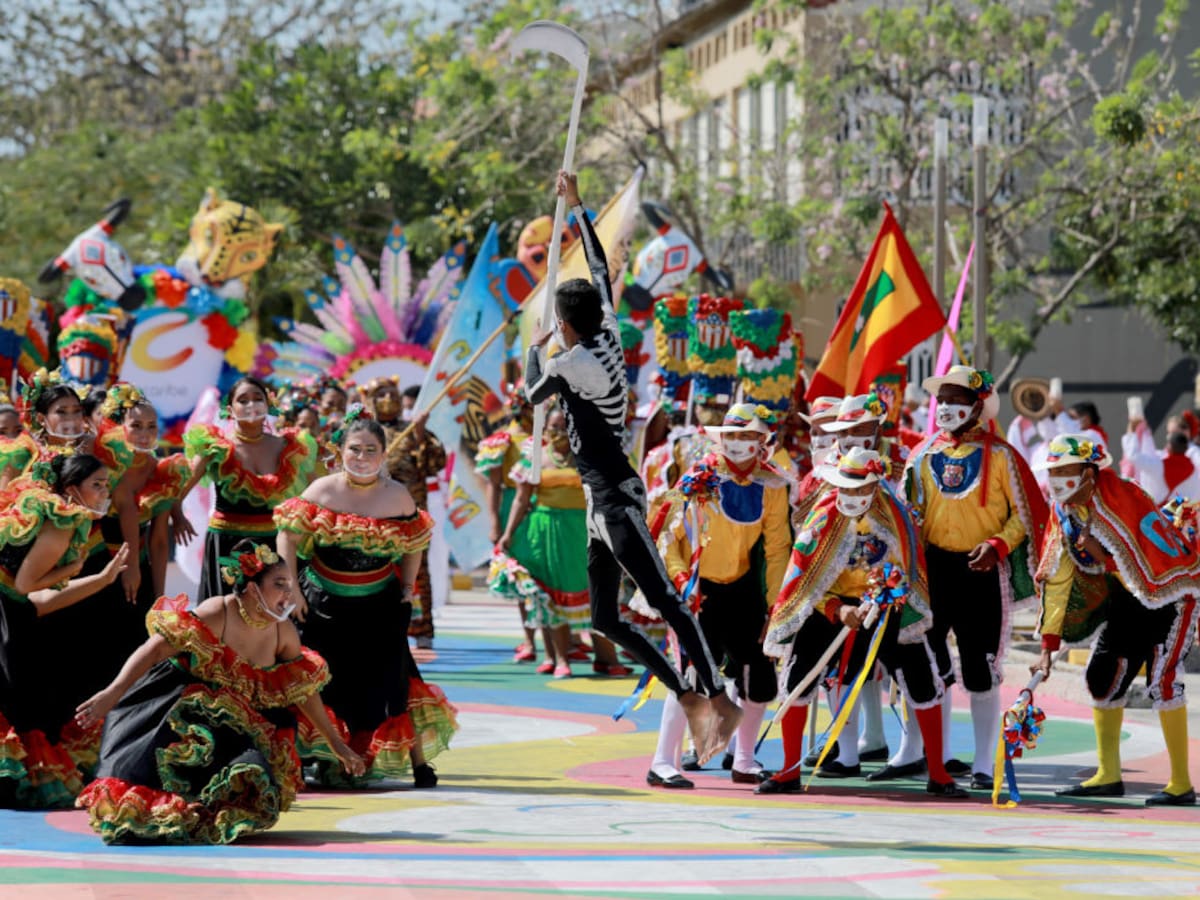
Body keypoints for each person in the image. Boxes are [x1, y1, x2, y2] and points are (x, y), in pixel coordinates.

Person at [525, 170, 740, 764]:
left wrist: (532, 348)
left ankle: (716, 694)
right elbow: (600, 266)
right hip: (600, 501)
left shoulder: (574, 364)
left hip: (616, 495)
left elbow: (530, 393)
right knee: (603, 618)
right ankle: (685, 691)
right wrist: (577, 206)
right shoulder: (609, 329)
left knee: (666, 601)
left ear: (565, 326)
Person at [73, 541, 365, 843]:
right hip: (178, 710)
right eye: (279, 585)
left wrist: (337, 745)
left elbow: (303, 693)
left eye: (289, 585)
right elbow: (153, 650)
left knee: (248, 777)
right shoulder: (219, 612)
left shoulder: (283, 632)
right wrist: (112, 693)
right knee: (153, 778)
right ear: (252, 589)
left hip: (237, 721)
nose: (288, 595)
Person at [757, 448, 967, 798]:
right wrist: (837, 610)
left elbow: (911, 568)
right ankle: (788, 770)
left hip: (887, 606)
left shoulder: (896, 517)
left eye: (859, 489)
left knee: (920, 679)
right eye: (846, 488)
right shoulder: (821, 520)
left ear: (876, 486)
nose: (851, 496)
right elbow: (803, 579)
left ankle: (939, 774)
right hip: (830, 607)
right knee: (798, 677)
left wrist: (888, 595)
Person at [884, 365, 1047, 791]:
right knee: (927, 666)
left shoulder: (1003, 456)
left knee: (981, 668)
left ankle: (983, 763)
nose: (948, 407)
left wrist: (998, 546)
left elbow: (1024, 516)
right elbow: (906, 514)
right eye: (944, 399)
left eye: (958, 399)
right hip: (933, 572)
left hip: (982, 571)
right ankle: (927, 757)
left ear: (978, 406)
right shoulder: (921, 455)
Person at [275, 408, 457, 788]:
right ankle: (312, 757)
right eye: (354, 449)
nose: (361, 457)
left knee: (392, 682)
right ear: (340, 450)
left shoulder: (398, 495)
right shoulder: (323, 490)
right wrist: (291, 586)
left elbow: (415, 543)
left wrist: (407, 588)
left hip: (380, 606)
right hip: (322, 604)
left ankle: (418, 764)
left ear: (384, 455)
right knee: (319, 680)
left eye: (370, 450)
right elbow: (287, 537)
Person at [1033, 434, 1198, 805]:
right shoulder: (1065, 512)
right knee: (1101, 676)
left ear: (1089, 473)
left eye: (1065, 471)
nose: (1056, 479)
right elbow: (1058, 578)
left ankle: (1181, 783)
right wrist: (1048, 644)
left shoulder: (1121, 498)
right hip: (1128, 598)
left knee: (1165, 683)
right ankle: (1108, 774)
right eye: (1053, 471)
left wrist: (1103, 559)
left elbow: (1149, 569)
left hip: (1171, 594)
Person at [652, 403, 791, 787]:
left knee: (761, 674)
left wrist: (775, 604)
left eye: (747, 436)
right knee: (689, 674)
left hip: (744, 588)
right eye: (731, 435)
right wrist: (682, 581)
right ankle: (662, 761)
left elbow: (779, 547)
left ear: (762, 442)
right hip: (701, 589)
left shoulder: (773, 485)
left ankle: (743, 760)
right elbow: (668, 537)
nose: (738, 443)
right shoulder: (700, 478)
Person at [0, 453, 130, 808]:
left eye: (106, 485)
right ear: (72, 489)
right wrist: (74, 566)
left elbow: (35, 601)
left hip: (15, 609)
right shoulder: (61, 522)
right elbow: (28, 586)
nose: (105, 492)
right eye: (97, 485)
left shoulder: (57, 513)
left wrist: (100, 579)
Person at [494, 408, 628, 678]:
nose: (559, 433)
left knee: (594, 592)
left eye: (565, 427)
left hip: (583, 532)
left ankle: (605, 656)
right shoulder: (535, 458)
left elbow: (608, 496)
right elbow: (521, 499)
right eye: (553, 427)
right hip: (545, 532)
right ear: (544, 430)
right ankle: (557, 658)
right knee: (549, 594)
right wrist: (507, 533)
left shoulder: (589, 457)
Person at [184, 376, 317, 600]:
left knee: (273, 616)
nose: (251, 405)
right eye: (243, 400)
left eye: (258, 399)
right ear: (230, 409)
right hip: (227, 544)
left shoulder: (290, 447)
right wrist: (177, 514)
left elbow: (318, 491)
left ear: (269, 405)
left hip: (274, 543)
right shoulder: (214, 446)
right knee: (226, 617)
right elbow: (179, 487)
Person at [363, 376, 447, 650]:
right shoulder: (362, 432)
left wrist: (421, 434)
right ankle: (380, 627)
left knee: (417, 571)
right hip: (374, 514)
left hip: (411, 515)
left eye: (392, 394)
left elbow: (435, 464)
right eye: (381, 394)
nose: (388, 400)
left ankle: (421, 627)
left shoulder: (412, 429)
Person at [477, 386, 541, 663]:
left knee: (550, 572)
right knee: (520, 576)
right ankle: (529, 638)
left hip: (545, 508)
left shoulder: (547, 437)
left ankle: (567, 637)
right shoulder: (501, 441)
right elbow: (493, 485)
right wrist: (494, 522)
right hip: (512, 508)